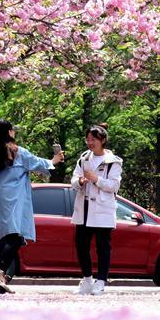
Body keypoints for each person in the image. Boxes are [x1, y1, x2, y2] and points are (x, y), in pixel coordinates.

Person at [0, 119, 64, 294]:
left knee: (5, 238)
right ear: (9, 132)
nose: (15, 133)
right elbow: (39, 164)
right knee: (15, 237)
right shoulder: (18, 153)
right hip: (13, 200)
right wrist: (54, 160)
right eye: (13, 130)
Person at [71, 123, 123, 295]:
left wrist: (96, 179)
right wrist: (79, 182)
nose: (90, 142)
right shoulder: (84, 158)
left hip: (102, 208)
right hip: (84, 206)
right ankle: (86, 279)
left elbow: (114, 186)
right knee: (81, 245)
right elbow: (74, 178)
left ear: (102, 140)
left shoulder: (112, 162)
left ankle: (101, 281)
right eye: (88, 139)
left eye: (93, 139)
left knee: (103, 247)